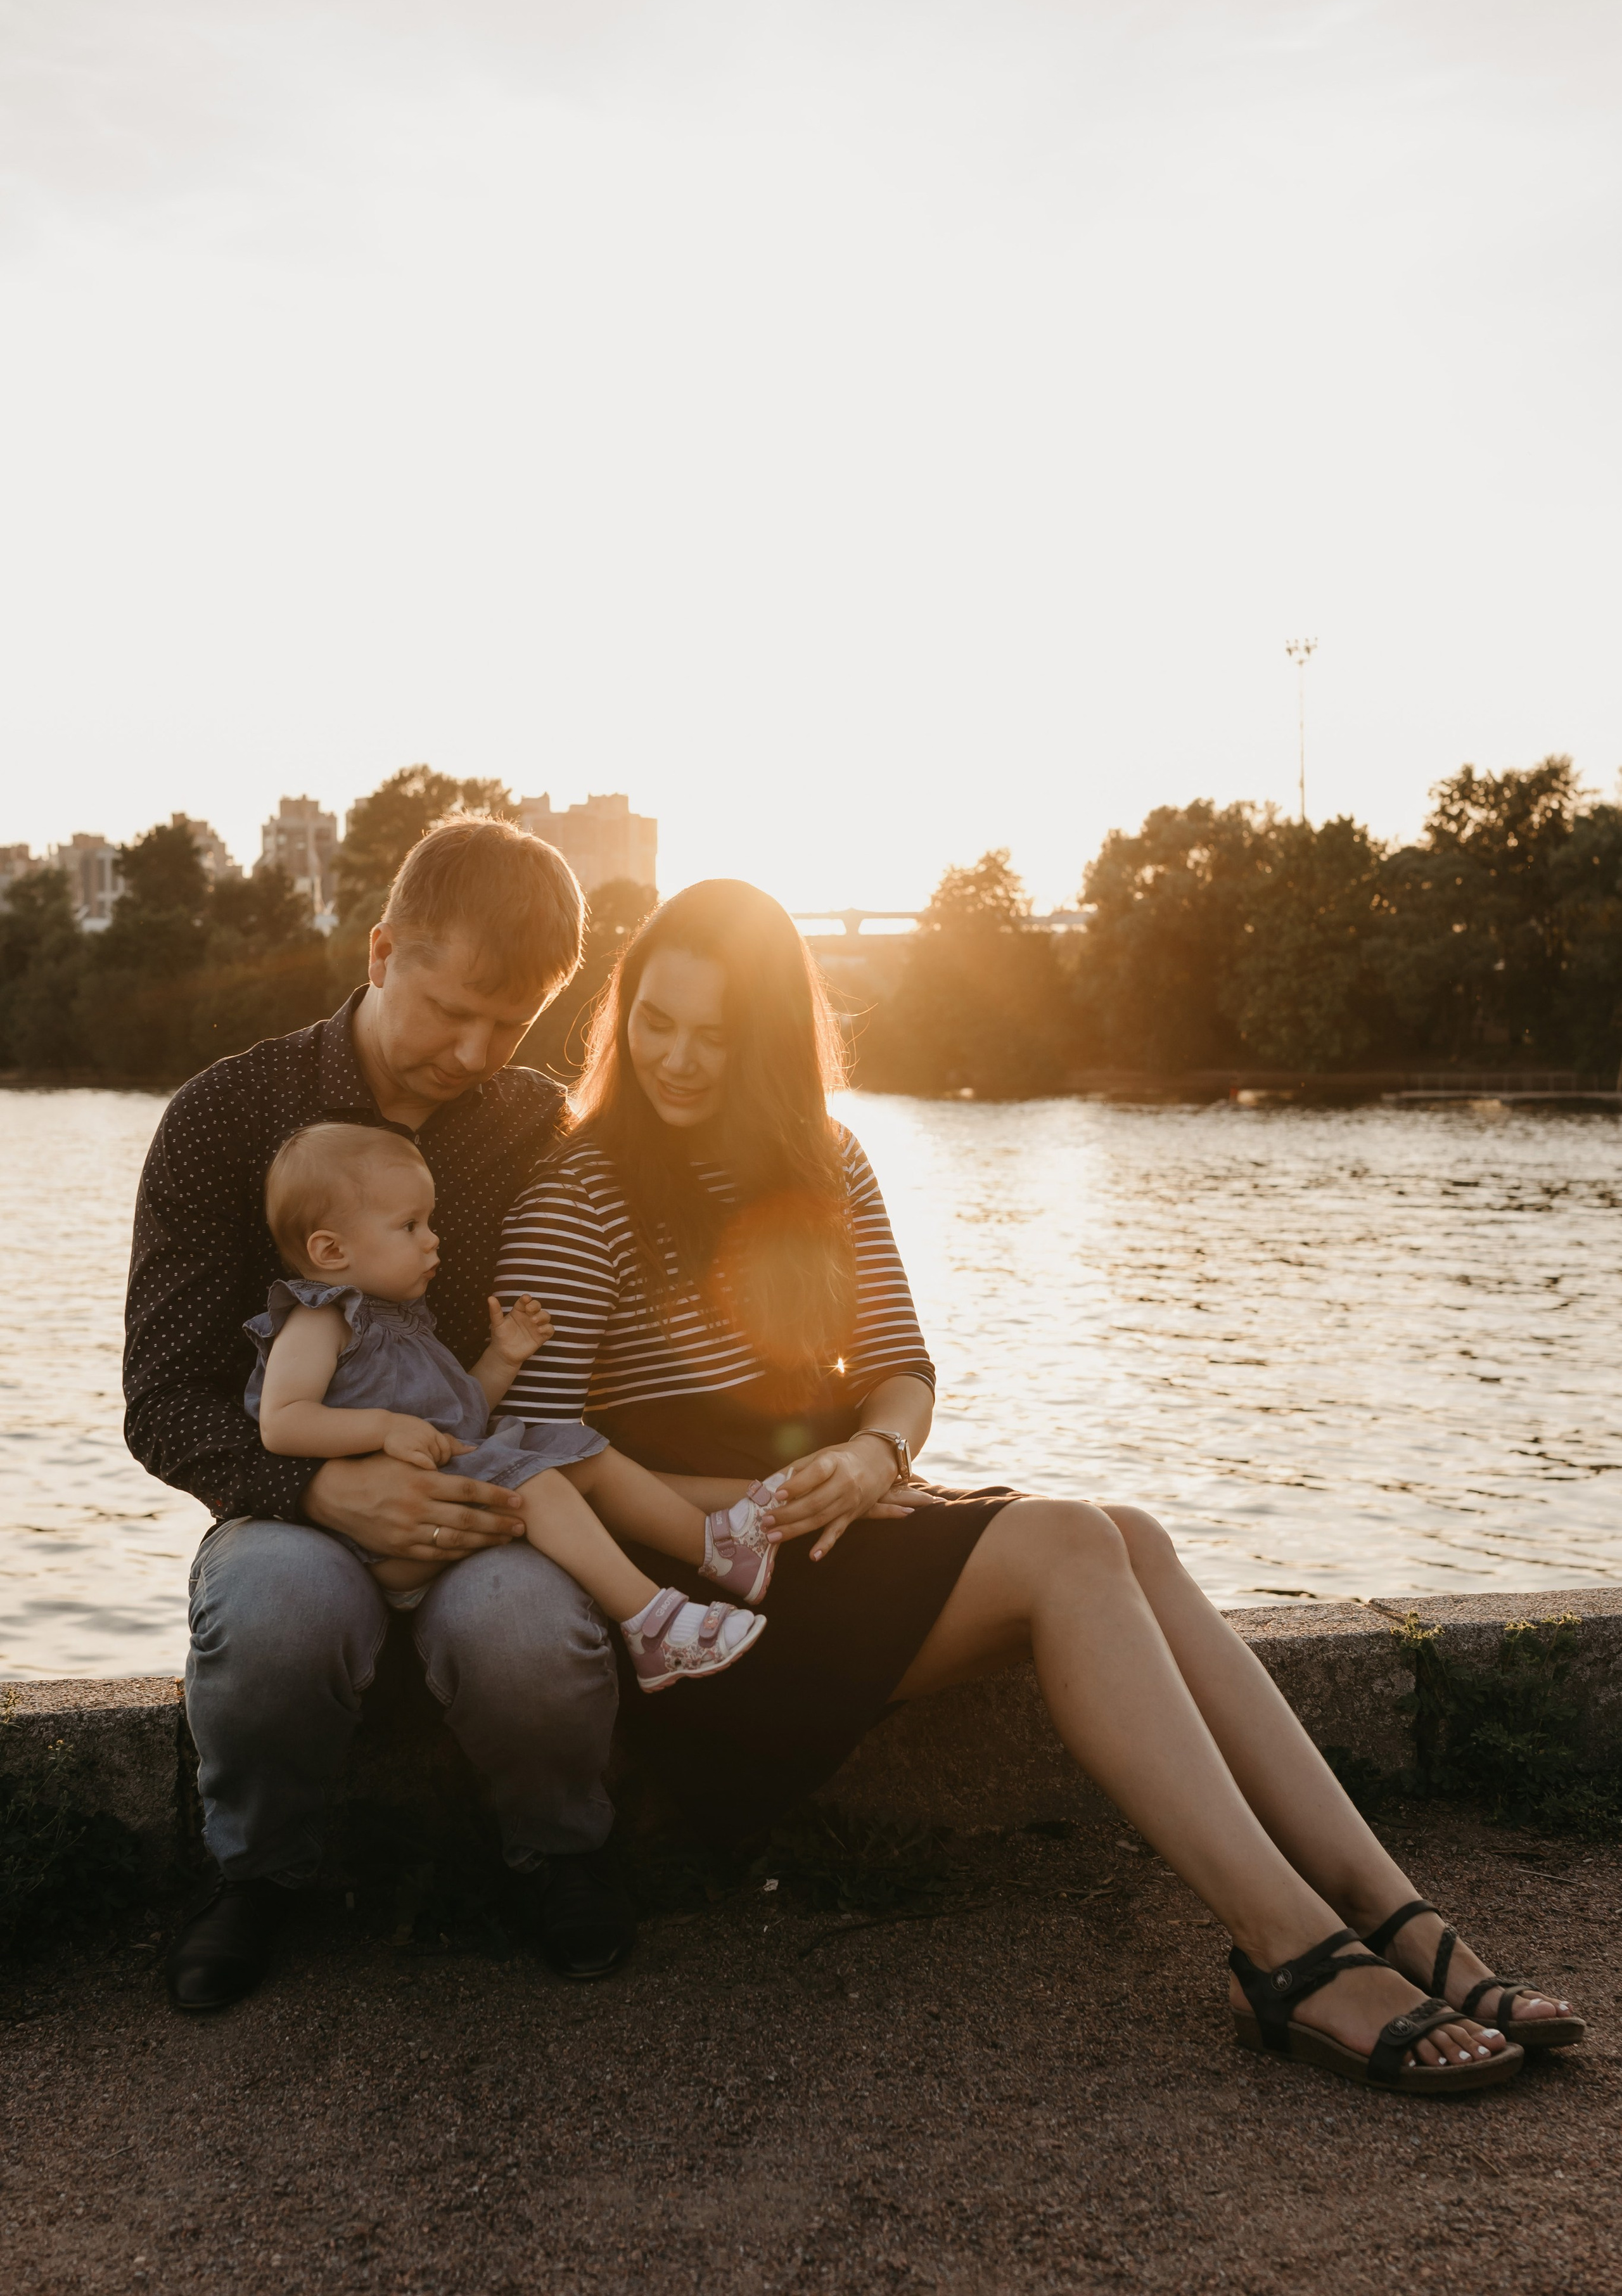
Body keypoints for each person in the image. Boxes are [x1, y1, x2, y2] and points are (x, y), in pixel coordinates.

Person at [494, 878, 1581, 2094]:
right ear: (619, 1014)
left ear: (765, 1038)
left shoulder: (826, 1160)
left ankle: (1390, 1913)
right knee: (1068, 1543)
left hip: (836, 1531)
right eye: (656, 1022)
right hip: (706, 1599)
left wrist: (868, 1457)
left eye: (715, 1031)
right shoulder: (577, 1188)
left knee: (1135, 1536)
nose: (680, 1059)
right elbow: (536, 1443)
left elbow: (901, 1371)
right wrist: (764, 1495)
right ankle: (1290, 1956)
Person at [126, 816, 638, 2011]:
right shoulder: (223, 1119)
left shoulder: (537, 1127)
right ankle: (259, 1877)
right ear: (382, 949)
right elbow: (162, 1399)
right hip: (295, 1498)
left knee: (526, 1632)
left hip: (479, 1493)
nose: (471, 1050)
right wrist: (312, 1485)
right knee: (273, 1612)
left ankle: (560, 1852)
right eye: (448, 1005)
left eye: (508, 1023)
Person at [246, 1118, 775, 1684]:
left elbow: (462, 1413)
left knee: (577, 1449)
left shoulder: (402, 1322)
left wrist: (503, 1358)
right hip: (389, 1541)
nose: (432, 1239)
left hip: (451, 1486)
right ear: (330, 1249)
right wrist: (383, 1429)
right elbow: (282, 1422)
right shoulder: (318, 1320)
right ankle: (652, 1625)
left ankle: (718, 1547)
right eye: (409, 1226)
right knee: (536, 1480)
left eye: (428, 1222)